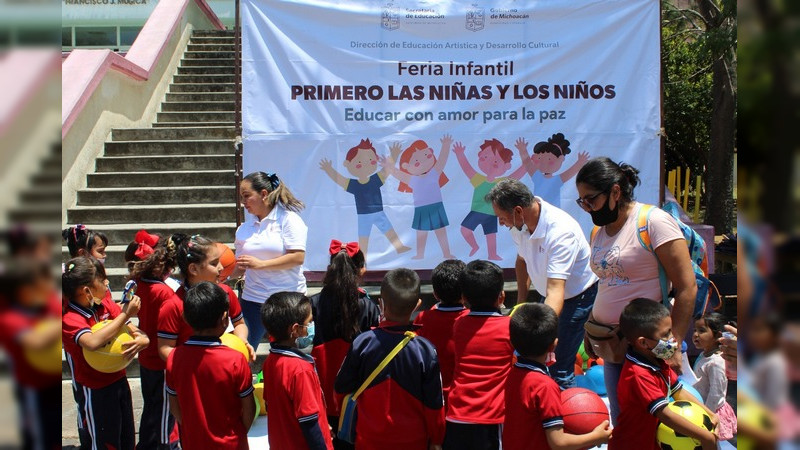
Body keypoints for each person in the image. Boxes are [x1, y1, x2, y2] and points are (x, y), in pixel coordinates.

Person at [575, 157, 697, 420]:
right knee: (623, 421)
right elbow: (606, 282)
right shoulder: (598, 231)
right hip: (612, 345)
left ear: (615, 192)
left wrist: (672, 346)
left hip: (648, 349)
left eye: (590, 199)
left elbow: (687, 287)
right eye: (581, 201)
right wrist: (592, 323)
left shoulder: (653, 222)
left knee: (651, 424)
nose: (586, 207)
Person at [486, 178, 598, 389]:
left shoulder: (560, 233)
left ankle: (564, 418)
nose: (501, 223)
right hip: (548, 294)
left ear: (518, 211)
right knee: (540, 363)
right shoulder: (519, 225)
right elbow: (522, 260)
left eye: (502, 218)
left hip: (576, 298)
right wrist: (520, 303)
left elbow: (557, 290)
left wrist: (538, 335)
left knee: (558, 366)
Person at [335, 268, 445, 450]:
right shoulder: (426, 350)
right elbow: (434, 405)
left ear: (381, 303)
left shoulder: (362, 343)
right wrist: (436, 438)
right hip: (413, 442)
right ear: (417, 304)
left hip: (368, 440)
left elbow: (340, 391)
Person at [61, 257, 149, 450]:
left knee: (126, 439)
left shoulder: (105, 305)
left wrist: (143, 338)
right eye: (102, 280)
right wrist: (126, 314)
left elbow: (132, 331)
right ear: (87, 291)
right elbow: (92, 342)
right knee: (104, 443)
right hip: (95, 391)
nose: (107, 283)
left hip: (119, 381)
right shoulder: (70, 319)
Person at [611, 299, 718, 450]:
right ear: (643, 343)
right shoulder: (638, 374)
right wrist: (704, 436)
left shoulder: (657, 361)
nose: (672, 338)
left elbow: (679, 392)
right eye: (666, 334)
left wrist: (710, 414)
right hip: (632, 445)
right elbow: (665, 414)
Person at [504, 303, 611, 450]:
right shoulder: (545, 386)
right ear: (554, 344)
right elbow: (557, 442)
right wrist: (596, 437)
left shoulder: (512, 374)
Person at [165, 282, 255, 449]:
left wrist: (192, 430)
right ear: (224, 319)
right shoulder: (236, 359)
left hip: (193, 442)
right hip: (232, 444)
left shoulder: (174, 358)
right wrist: (238, 433)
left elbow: (174, 405)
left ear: (185, 318)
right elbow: (249, 408)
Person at [310, 239, 380, 448]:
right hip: (355, 389)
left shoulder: (314, 303)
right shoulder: (367, 305)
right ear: (361, 270)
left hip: (322, 384)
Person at [232, 171, 308, 349]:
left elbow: (297, 257)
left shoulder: (289, 220)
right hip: (252, 300)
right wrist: (222, 276)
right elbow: (240, 265)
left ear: (264, 194)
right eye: (241, 197)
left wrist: (261, 264)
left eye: (246, 196)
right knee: (243, 350)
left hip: (288, 301)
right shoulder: (244, 228)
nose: (243, 202)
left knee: (290, 353)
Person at [444, 260, 514, 450]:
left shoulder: (459, 324)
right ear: (501, 297)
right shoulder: (509, 327)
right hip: (491, 416)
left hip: (456, 413)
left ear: (464, 298)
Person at [129, 233, 186, 450]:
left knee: (151, 405)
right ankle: (163, 446)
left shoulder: (138, 283)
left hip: (146, 357)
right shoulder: (164, 292)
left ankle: (146, 443)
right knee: (164, 411)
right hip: (161, 360)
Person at [158, 235, 251, 362]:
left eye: (219, 261)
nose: (221, 267)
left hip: (224, 366)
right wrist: (192, 366)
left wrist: (241, 342)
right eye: (214, 263)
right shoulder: (173, 305)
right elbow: (165, 347)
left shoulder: (226, 292)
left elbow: (239, 324)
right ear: (193, 269)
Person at [0, 258, 61, 450]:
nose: (46, 288)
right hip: (33, 390)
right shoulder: (9, 319)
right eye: (39, 284)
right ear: (23, 291)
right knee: (39, 438)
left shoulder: (45, 304)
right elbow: (36, 341)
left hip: (52, 382)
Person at [262, 291, 334, 450]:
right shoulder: (300, 370)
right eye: (309, 322)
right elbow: (308, 420)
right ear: (295, 329)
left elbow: (272, 406)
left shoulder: (271, 361)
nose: (312, 326)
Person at [318, 139, 411, 256]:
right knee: (363, 237)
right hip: (363, 216)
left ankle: (399, 247)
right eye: (359, 162)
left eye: (371, 161)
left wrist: (394, 155)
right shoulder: (354, 184)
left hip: (378, 212)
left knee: (389, 230)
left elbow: (387, 169)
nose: (365, 165)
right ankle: (363, 257)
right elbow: (340, 179)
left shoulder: (376, 179)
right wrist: (329, 169)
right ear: (347, 164)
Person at [381, 135, 456, 260]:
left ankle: (446, 253)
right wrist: (388, 166)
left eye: (427, 156)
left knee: (440, 231)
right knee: (421, 232)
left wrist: (445, 146)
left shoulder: (434, 173)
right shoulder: (412, 179)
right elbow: (397, 174)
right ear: (407, 166)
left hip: (436, 206)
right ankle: (420, 254)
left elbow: (442, 159)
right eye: (416, 162)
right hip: (421, 209)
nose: (424, 162)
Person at [452, 138, 527, 260]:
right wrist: (460, 154)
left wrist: (526, 161)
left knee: (491, 235)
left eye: (496, 161)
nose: (491, 164)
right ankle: (474, 246)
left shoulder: (502, 182)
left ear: (506, 166)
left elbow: (517, 175)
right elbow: (467, 168)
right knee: (465, 230)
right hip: (476, 211)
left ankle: (492, 254)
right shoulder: (478, 179)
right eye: (484, 158)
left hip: (493, 213)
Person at [413, 259, 468, 405]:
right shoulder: (470, 319)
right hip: (464, 396)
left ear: (435, 294)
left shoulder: (423, 318)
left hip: (431, 394)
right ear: (466, 292)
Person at [691, 312, 737, 441]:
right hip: (703, 406)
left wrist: (707, 414)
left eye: (701, 330)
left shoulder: (716, 361)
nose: (695, 334)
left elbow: (717, 393)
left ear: (717, 336)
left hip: (712, 412)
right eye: (694, 330)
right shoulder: (703, 355)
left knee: (714, 442)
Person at [514, 134, 589, 207]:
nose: (544, 162)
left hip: (554, 212)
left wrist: (580, 162)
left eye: (549, 159)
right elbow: (528, 164)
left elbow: (570, 172)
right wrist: (522, 150)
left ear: (560, 159)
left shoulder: (557, 180)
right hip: (538, 211)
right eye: (540, 158)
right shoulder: (537, 177)